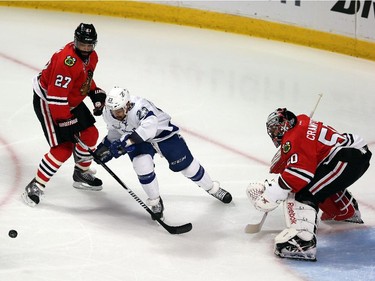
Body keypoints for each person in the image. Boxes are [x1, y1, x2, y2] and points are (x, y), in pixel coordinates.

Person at [246, 108, 372, 261]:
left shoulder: (295, 137)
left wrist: (271, 195)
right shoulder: (301, 121)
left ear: (285, 125)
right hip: (352, 154)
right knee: (320, 182)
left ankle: (302, 243)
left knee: (304, 192)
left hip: (348, 158)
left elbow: (299, 176)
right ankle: (344, 210)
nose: (274, 133)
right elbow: (309, 155)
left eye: (276, 128)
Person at [94, 86, 232, 220]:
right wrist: (105, 146)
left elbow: (149, 128)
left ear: (127, 104)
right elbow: (115, 130)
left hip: (162, 135)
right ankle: (155, 201)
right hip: (138, 141)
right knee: (141, 165)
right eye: (112, 111)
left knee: (189, 168)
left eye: (118, 111)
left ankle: (212, 188)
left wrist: (126, 144)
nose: (115, 114)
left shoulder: (140, 107)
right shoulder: (109, 113)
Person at [22, 23, 106, 207]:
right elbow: (55, 96)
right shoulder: (66, 60)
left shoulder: (92, 57)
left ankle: (80, 173)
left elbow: (83, 78)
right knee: (64, 148)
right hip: (50, 102)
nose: (86, 49)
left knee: (91, 134)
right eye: (82, 44)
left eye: (89, 45)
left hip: (69, 99)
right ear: (76, 41)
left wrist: (95, 93)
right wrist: (65, 122)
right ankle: (36, 185)